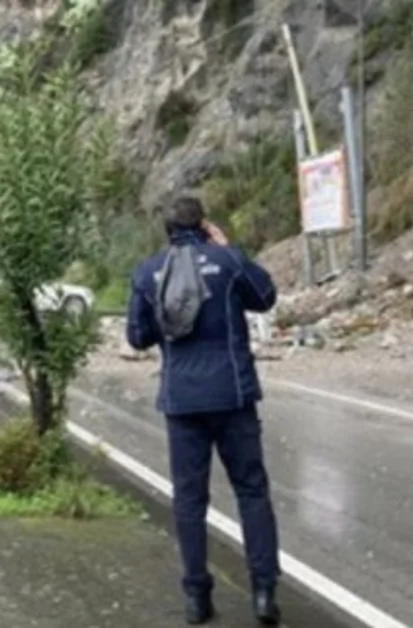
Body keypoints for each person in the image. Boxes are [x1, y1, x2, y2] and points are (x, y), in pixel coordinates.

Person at [125, 196, 281, 625]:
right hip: (233, 395)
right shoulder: (227, 262)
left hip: (182, 401)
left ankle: (197, 597)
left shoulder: (147, 273)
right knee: (251, 490)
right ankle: (264, 592)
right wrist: (229, 249)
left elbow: (137, 337)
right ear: (204, 224)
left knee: (189, 500)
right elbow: (265, 296)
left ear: (167, 230)